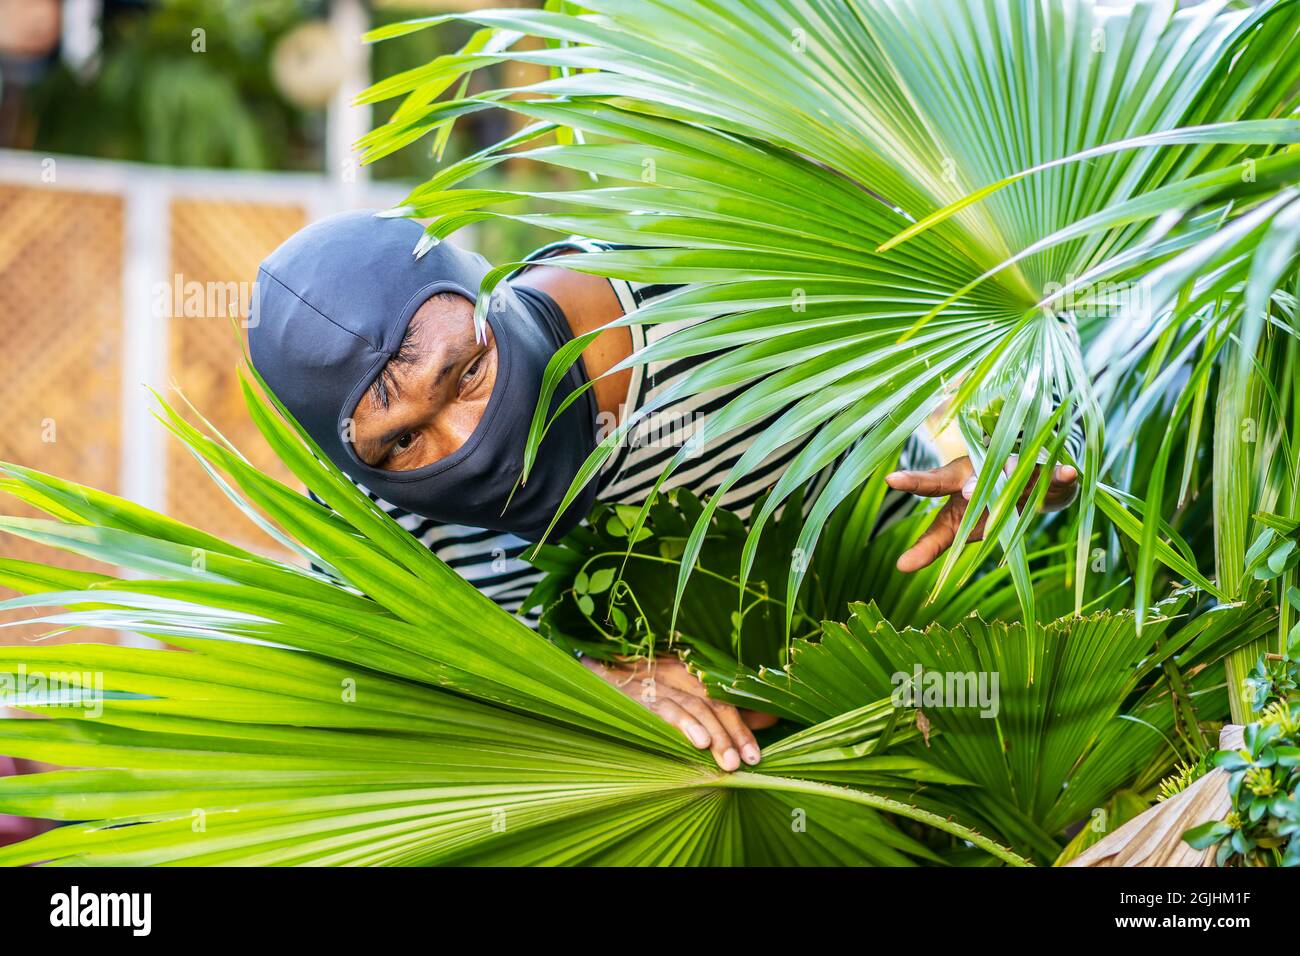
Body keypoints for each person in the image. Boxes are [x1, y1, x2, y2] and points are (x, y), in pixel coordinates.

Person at [249, 210, 1079, 772]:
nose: (465, 446)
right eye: (400, 442)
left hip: (976, 718)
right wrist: (580, 689)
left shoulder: (719, 292)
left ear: (489, 297)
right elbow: (363, 711)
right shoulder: (367, 518)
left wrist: (1024, 441)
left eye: (467, 373)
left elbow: (1011, 269)